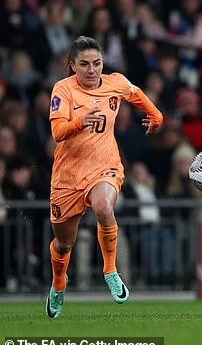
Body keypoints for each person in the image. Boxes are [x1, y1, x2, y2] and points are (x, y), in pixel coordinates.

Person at [46, 36, 163, 318]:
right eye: (84, 64)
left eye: (97, 63)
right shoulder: (63, 90)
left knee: (103, 206)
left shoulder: (115, 82)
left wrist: (156, 117)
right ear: (72, 65)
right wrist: (79, 122)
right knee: (64, 243)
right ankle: (59, 283)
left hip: (105, 165)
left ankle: (110, 270)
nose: (92, 70)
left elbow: (137, 95)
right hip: (68, 175)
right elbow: (57, 132)